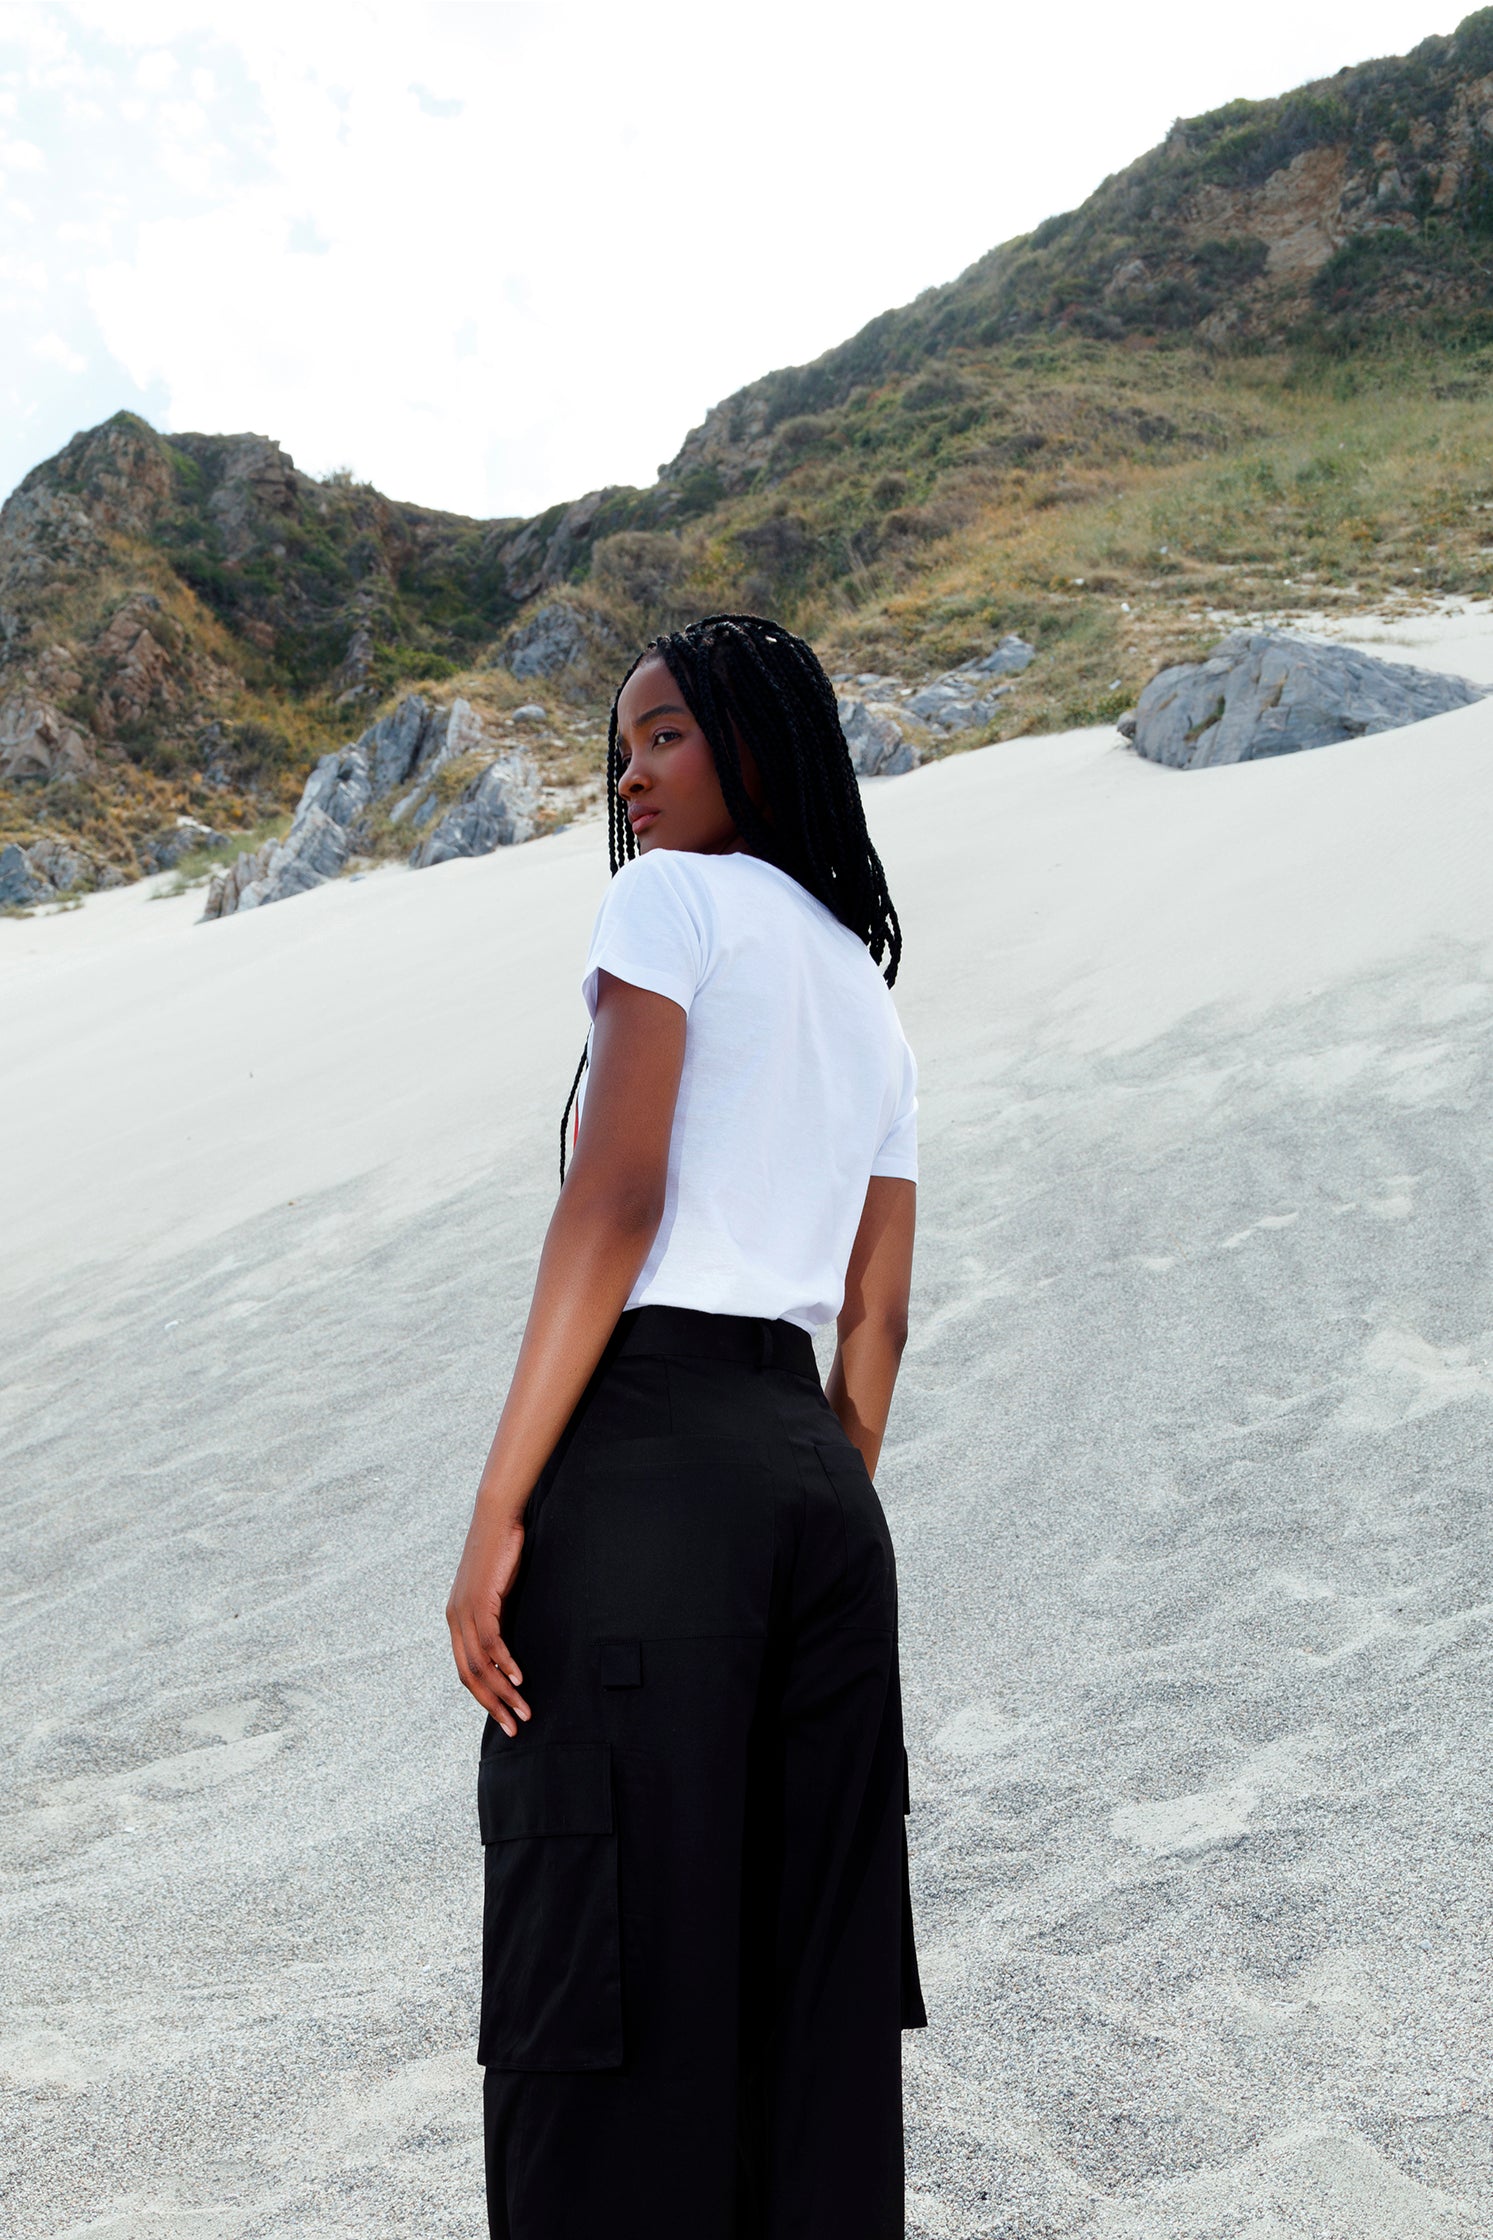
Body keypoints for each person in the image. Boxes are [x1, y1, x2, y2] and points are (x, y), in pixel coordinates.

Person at [446, 612, 926, 2240]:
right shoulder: (865, 994)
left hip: (651, 1470)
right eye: (624, 747)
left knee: (604, 1979)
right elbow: (875, 1322)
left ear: (757, 747)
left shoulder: (668, 905)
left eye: (667, 735)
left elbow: (615, 1200)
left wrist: (498, 1509)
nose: (634, 778)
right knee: (808, 1997)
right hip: (815, 1488)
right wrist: (800, 1492)